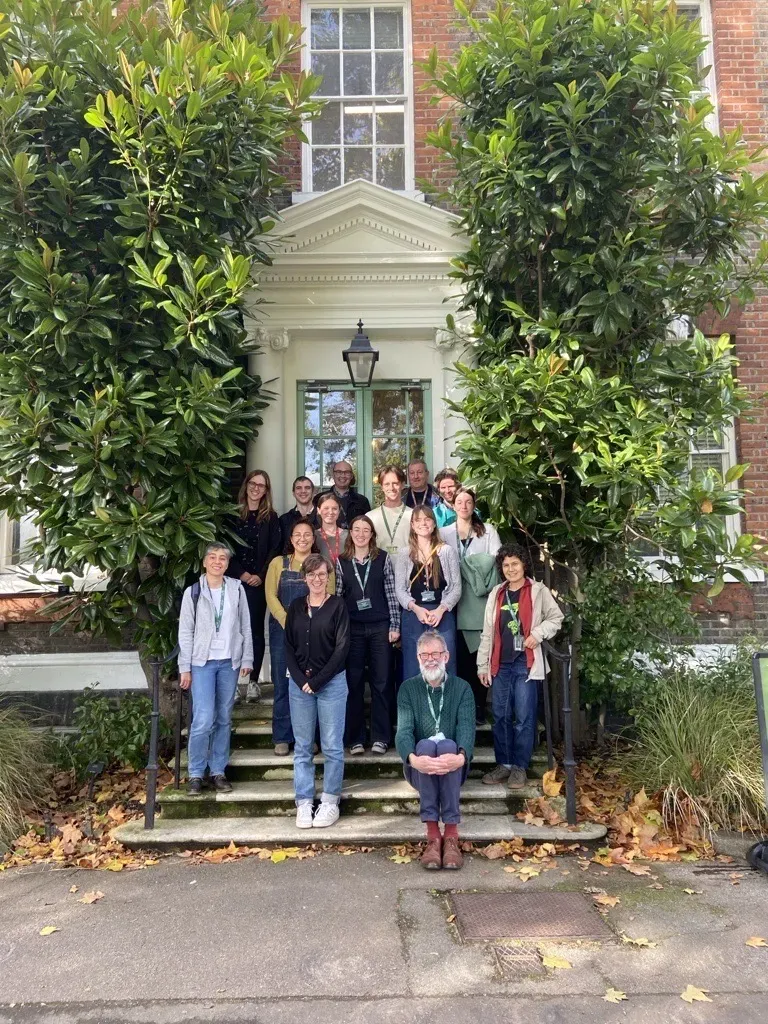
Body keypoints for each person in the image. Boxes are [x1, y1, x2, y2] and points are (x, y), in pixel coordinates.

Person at [477, 543, 564, 789]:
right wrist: (482, 665)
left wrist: (537, 633)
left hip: (525, 663)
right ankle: (504, 764)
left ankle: (519, 767)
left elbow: (556, 618)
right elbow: (487, 632)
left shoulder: (537, 590)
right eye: (506, 565)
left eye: (515, 563)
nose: (511, 569)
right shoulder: (497, 593)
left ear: (524, 564)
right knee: (500, 716)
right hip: (500, 664)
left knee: (524, 718)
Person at [395, 630, 476, 870]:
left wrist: (461, 757)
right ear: (418, 658)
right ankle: (433, 836)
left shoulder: (462, 688)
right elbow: (404, 731)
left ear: (446, 657)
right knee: (425, 746)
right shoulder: (408, 689)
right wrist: (413, 759)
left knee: (448, 745)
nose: (430, 659)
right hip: (419, 768)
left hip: (454, 768)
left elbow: (466, 727)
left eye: (436, 654)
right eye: (425, 655)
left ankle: (450, 836)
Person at [178, 543, 253, 795]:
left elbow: (245, 625)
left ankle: (218, 771)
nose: (217, 562)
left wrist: (247, 658)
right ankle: (196, 773)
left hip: (228, 662)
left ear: (228, 564)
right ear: (204, 562)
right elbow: (185, 631)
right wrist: (184, 667)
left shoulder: (237, 589)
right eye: (212, 557)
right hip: (202, 663)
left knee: (223, 717)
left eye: (222, 558)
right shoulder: (193, 592)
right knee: (202, 719)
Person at [285, 553, 350, 828]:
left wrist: (319, 680)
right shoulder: (295, 606)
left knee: (332, 746)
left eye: (322, 574)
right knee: (302, 747)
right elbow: (288, 647)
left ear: (328, 576)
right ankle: (304, 802)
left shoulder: (338, 606)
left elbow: (342, 648)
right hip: (300, 685)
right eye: (311, 574)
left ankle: (330, 801)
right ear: (304, 578)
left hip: (332, 684)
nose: (317, 579)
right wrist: (302, 680)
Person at [265, 518, 335, 755]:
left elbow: (329, 594)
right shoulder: (278, 563)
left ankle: (310, 737)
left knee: (311, 681)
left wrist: (311, 624)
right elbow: (270, 596)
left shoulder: (323, 564)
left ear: (313, 539)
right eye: (298, 534)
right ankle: (282, 737)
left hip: (314, 632)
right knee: (282, 682)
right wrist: (288, 622)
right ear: (291, 539)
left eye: (307, 534)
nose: (302, 538)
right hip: (282, 630)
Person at [336, 515, 400, 755]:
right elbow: (338, 599)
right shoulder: (341, 562)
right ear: (350, 533)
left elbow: (391, 594)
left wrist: (395, 625)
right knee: (352, 683)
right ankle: (355, 738)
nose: (361, 534)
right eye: (356, 529)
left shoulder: (382, 558)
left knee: (382, 682)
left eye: (366, 530)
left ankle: (381, 737)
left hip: (380, 627)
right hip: (352, 629)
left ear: (372, 534)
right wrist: (338, 632)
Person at [228, 470, 281, 702]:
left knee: (255, 632)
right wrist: (241, 573)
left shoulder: (271, 518)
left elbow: (275, 549)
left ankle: (253, 683)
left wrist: (260, 575)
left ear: (266, 490)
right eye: (253, 483)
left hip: (259, 582)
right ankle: (232, 683)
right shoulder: (232, 515)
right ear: (246, 485)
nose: (256, 488)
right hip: (234, 580)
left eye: (262, 485)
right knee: (233, 631)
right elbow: (226, 548)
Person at [394, 506, 461, 681]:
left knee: (445, 664)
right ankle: (414, 700)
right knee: (413, 665)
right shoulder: (404, 554)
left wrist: (441, 610)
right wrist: (416, 609)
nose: (423, 523)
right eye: (418, 520)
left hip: (442, 614)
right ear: (412, 525)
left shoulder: (446, 551)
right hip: (413, 615)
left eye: (427, 519)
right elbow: (399, 589)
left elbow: (456, 587)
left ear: (434, 524)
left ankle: (446, 699)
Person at [439, 488, 502, 560]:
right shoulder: (443, 533)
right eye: (459, 503)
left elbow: (498, 558)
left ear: (474, 506)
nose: (464, 507)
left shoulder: (488, 530)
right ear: (453, 506)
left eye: (468, 502)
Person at [367, 464, 412, 555]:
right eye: (387, 484)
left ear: (402, 485)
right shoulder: (370, 517)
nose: (391, 488)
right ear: (382, 487)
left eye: (395, 483)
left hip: (407, 563)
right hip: (380, 563)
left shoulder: (413, 514)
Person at [318, 460, 371, 528]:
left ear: (351, 476)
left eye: (347, 472)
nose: (343, 475)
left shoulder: (362, 501)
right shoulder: (319, 498)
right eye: (339, 472)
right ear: (333, 475)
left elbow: (367, 526)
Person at [279, 475, 318, 549]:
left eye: (307, 488)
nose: (303, 491)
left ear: (313, 492)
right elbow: (282, 548)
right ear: (293, 493)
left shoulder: (322, 517)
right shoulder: (284, 520)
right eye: (299, 488)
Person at [315, 491, 348, 567]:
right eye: (326, 508)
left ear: (339, 511)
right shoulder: (313, 536)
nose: (330, 512)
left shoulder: (348, 535)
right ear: (318, 510)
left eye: (334, 508)